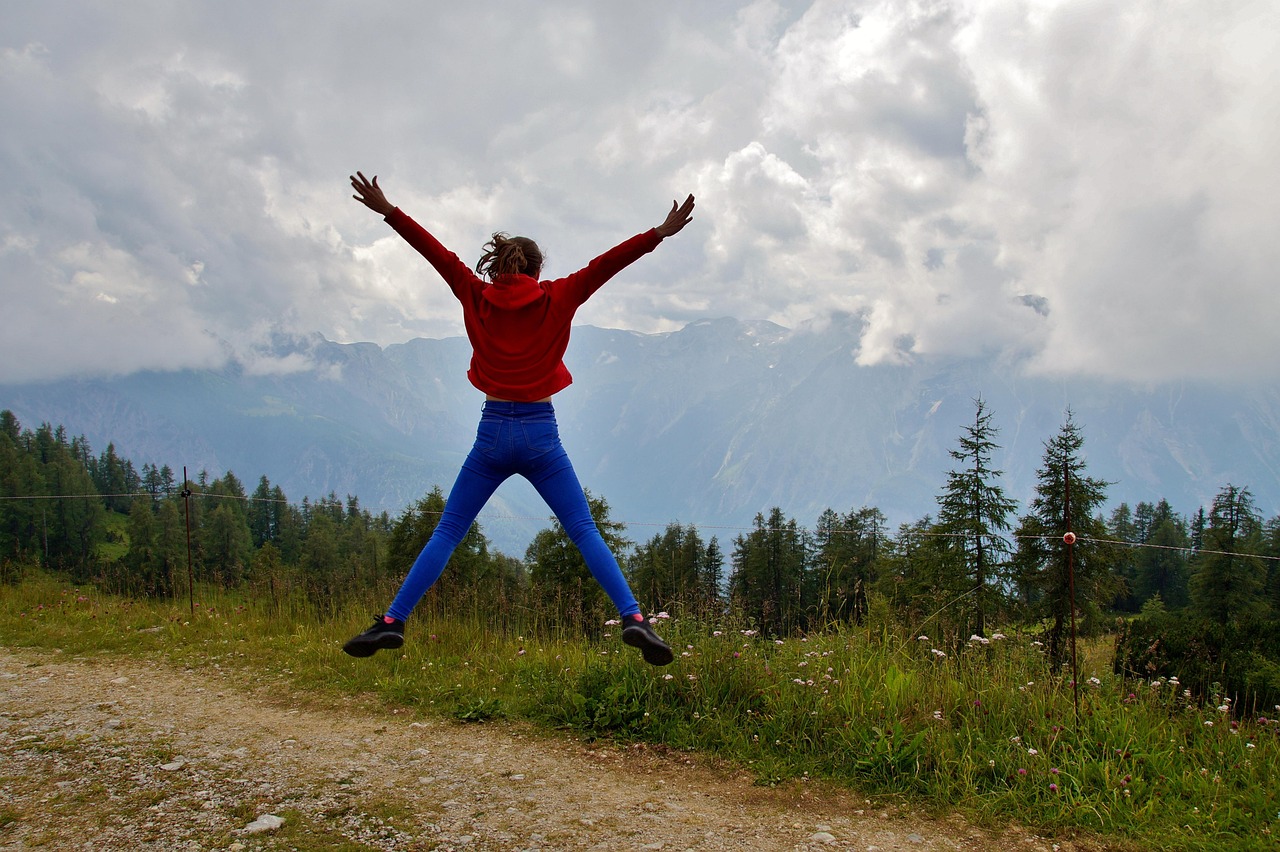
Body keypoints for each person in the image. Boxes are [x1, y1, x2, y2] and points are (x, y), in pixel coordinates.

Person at [342, 171, 695, 666]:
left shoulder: (474, 294)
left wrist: (388, 210)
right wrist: (658, 234)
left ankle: (393, 621)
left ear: (501, 266)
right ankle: (634, 619)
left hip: (491, 434)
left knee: (448, 530)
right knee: (584, 530)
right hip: (540, 435)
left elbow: (435, 252)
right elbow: (607, 265)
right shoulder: (559, 295)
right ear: (536, 268)